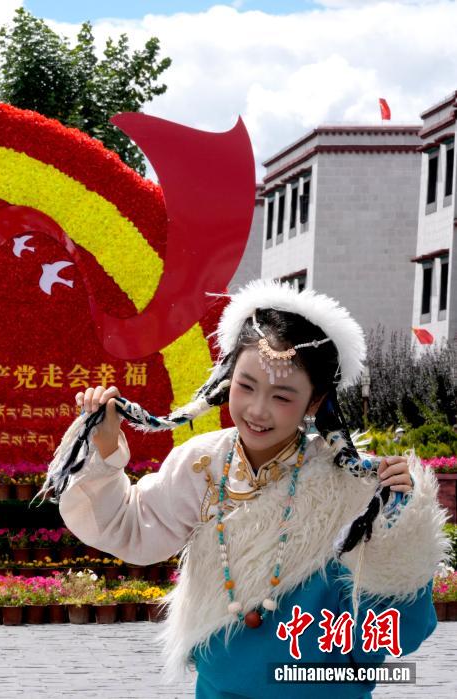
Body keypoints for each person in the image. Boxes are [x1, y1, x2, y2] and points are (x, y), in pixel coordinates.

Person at [42, 279, 447, 698]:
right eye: (246, 386)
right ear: (226, 377)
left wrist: (401, 526)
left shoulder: (350, 485)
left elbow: (395, 630)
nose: (257, 410)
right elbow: (131, 527)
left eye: (282, 397)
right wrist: (106, 448)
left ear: (315, 401)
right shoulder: (202, 463)